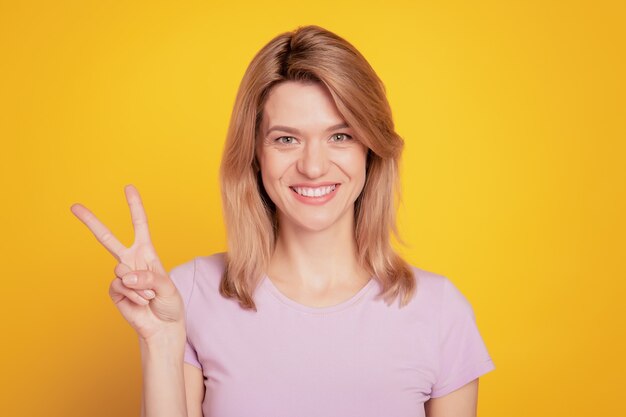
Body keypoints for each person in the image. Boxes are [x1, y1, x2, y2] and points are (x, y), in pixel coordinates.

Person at [70, 25, 495, 417]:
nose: (313, 166)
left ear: (371, 149)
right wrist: (161, 344)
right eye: (286, 139)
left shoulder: (440, 312)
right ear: (255, 154)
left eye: (340, 136)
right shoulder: (188, 295)